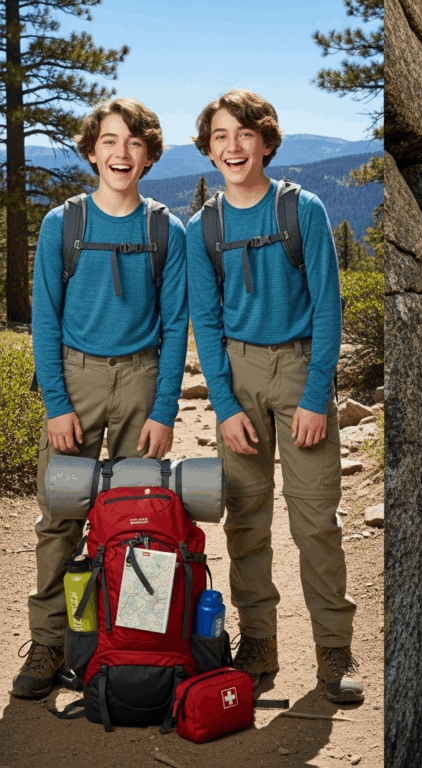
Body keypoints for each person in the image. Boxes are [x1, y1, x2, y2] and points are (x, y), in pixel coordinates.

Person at [186, 89, 363, 703]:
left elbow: (327, 307)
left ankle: (334, 651)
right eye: (220, 137)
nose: (232, 147)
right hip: (237, 377)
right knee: (246, 521)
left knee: (316, 521)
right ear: (208, 150)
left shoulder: (302, 210)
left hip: (299, 373)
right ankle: (258, 642)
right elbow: (204, 323)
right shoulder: (202, 227)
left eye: (243, 134)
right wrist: (225, 408)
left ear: (265, 140)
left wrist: (316, 395)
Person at [12, 98, 188, 699]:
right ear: (91, 152)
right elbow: (46, 319)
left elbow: (176, 324)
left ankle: (134, 645)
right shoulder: (64, 224)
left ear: (149, 155)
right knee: (60, 519)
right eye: (110, 142)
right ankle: (49, 643)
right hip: (76, 382)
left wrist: (165, 409)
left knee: (142, 519)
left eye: (135, 143)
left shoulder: (167, 230)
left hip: (142, 383)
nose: (122, 153)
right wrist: (56, 403)